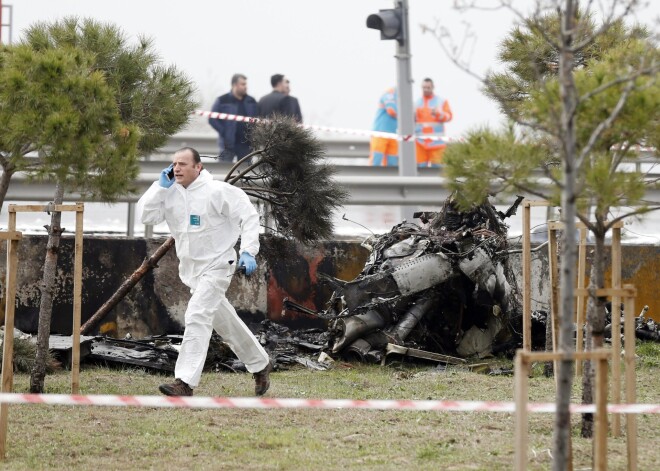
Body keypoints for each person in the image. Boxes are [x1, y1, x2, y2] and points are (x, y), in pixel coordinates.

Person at [137, 147, 272, 397]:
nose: (176, 168)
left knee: (197, 315)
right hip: (192, 272)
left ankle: (184, 382)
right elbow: (146, 215)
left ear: (198, 167)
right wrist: (159, 186)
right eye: (174, 164)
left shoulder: (218, 192)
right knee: (225, 323)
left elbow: (249, 216)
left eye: (183, 164)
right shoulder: (169, 193)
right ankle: (261, 363)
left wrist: (249, 251)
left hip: (219, 265)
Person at [209, 74, 258, 162]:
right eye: (243, 84)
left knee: (244, 172)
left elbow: (257, 119)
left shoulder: (251, 101)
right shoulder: (222, 100)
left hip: (245, 145)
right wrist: (224, 131)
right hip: (227, 144)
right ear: (234, 85)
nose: (245, 87)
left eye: (246, 84)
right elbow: (212, 119)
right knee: (224, 172)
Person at [415, 78, 453, 168]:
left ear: (433, 87)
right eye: (424, 87)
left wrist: (438, 114)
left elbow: (449, 117)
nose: (426, 90)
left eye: (428, 87)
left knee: (438, 171)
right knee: (419, 170)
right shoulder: (416, 103)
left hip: (437, 143)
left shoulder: (441, 101)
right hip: (420, 143)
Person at [369, 87, 398, 167]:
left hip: (392, 134)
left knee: (392, 164)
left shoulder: (401, 97)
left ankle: (390, 179)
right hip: (380, 133)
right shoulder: (389, 94)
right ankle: (372, 178)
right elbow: (391, 110)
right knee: (376, 162)